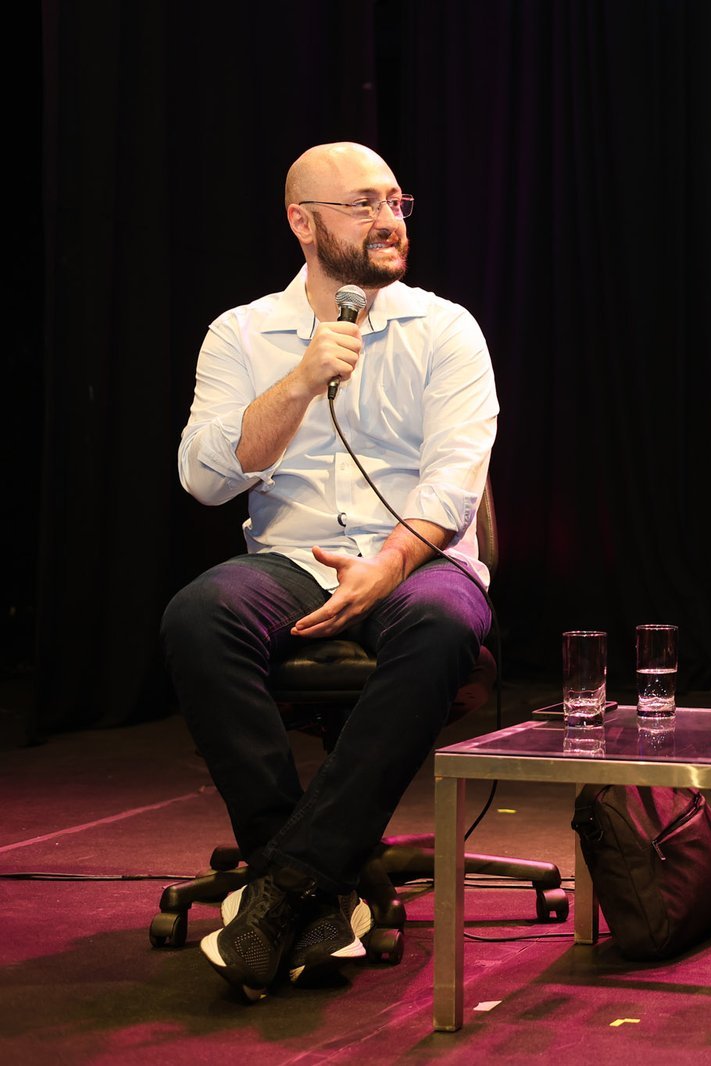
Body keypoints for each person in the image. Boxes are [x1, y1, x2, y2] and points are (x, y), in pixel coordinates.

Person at [162, 142, 498, 1000]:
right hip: (288, 558)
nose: (388, 220)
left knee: (442, 623)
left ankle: (281, 889)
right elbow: (205, 479)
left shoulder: (445, 328)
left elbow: (455, 478)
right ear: (301, 222)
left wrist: (388, 565)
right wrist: (301, 378)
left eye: (395, 201)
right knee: (197, 617)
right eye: (361, 205)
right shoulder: (239, 334)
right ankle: (306, 877)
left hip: (414, 558)